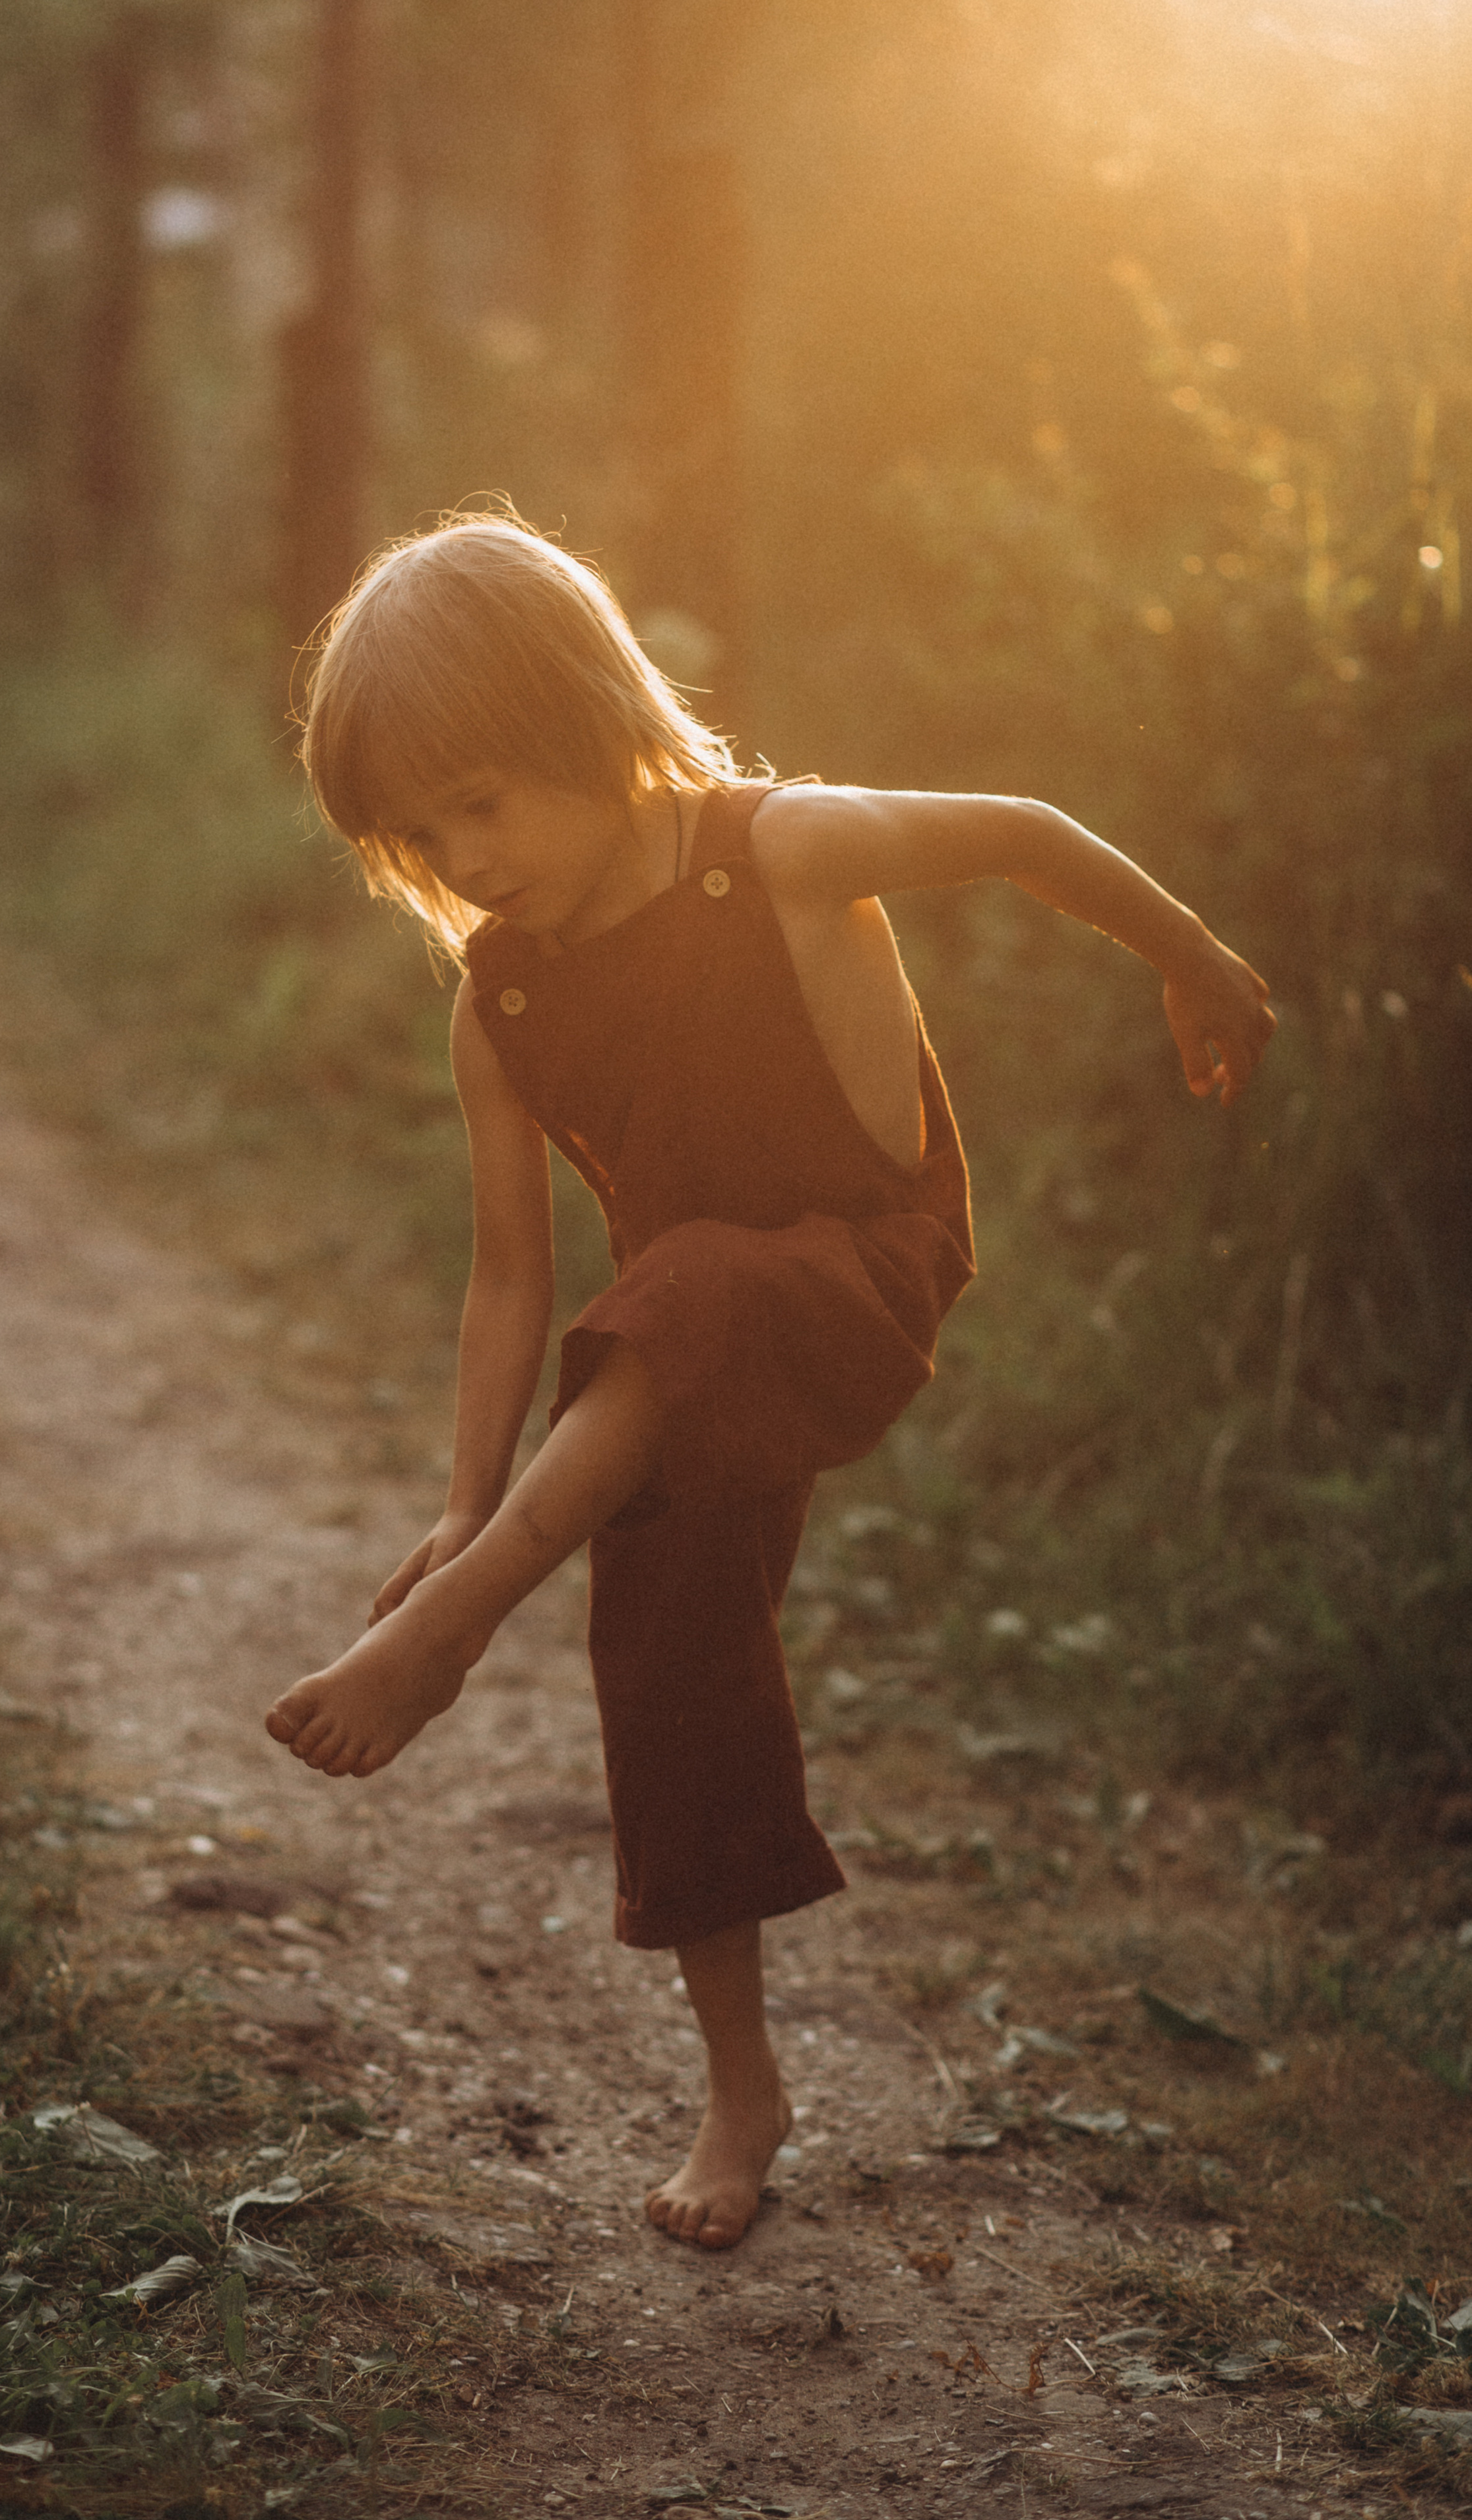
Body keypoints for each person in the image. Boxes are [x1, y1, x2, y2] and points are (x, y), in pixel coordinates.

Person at [267, 511, 1275, 2250]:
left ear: (590, 715)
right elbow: (514, 1273)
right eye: (420, 834)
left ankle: (465, 1628)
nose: (463, 855)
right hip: (665, 1364)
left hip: (858, 1270)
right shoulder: (497, 1003)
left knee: (705, 1283)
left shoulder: (777, 851)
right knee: (675, 1672)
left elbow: (1029, 833)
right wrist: (456, 1493)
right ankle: (742, 2090)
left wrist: (1199, 961)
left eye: (484, 800)